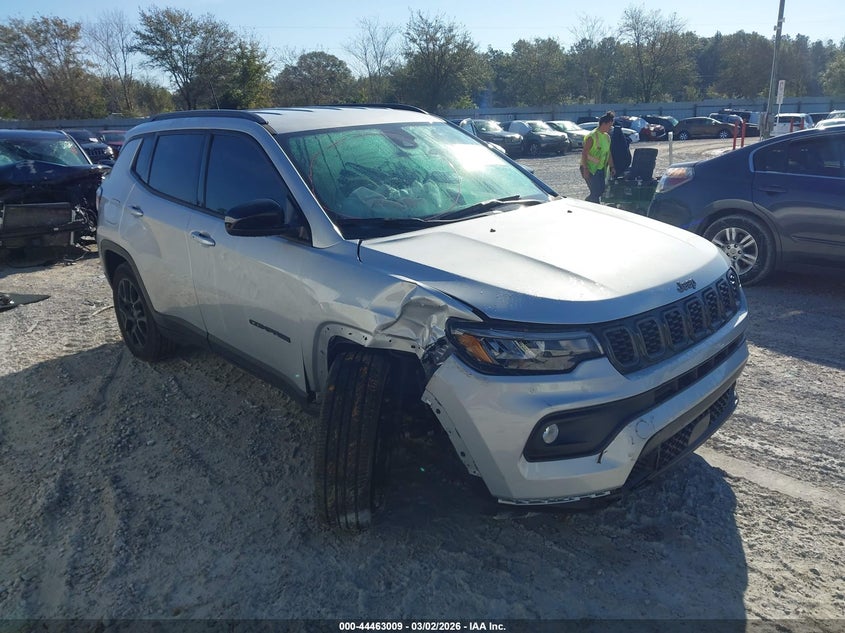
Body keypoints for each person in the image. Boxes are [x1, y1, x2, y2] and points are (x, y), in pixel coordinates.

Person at [580, 111, 616, 203]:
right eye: (609, 126)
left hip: (600, 169)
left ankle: (586, 203)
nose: (610, 128)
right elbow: (584, 153)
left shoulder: (607, 137)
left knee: (601, 190)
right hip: (589, 168)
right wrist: (585, 169)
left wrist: (612, 167)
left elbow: (608, 153)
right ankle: (593, 206)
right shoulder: (592, 136)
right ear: (604, 124)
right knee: (595, 192)